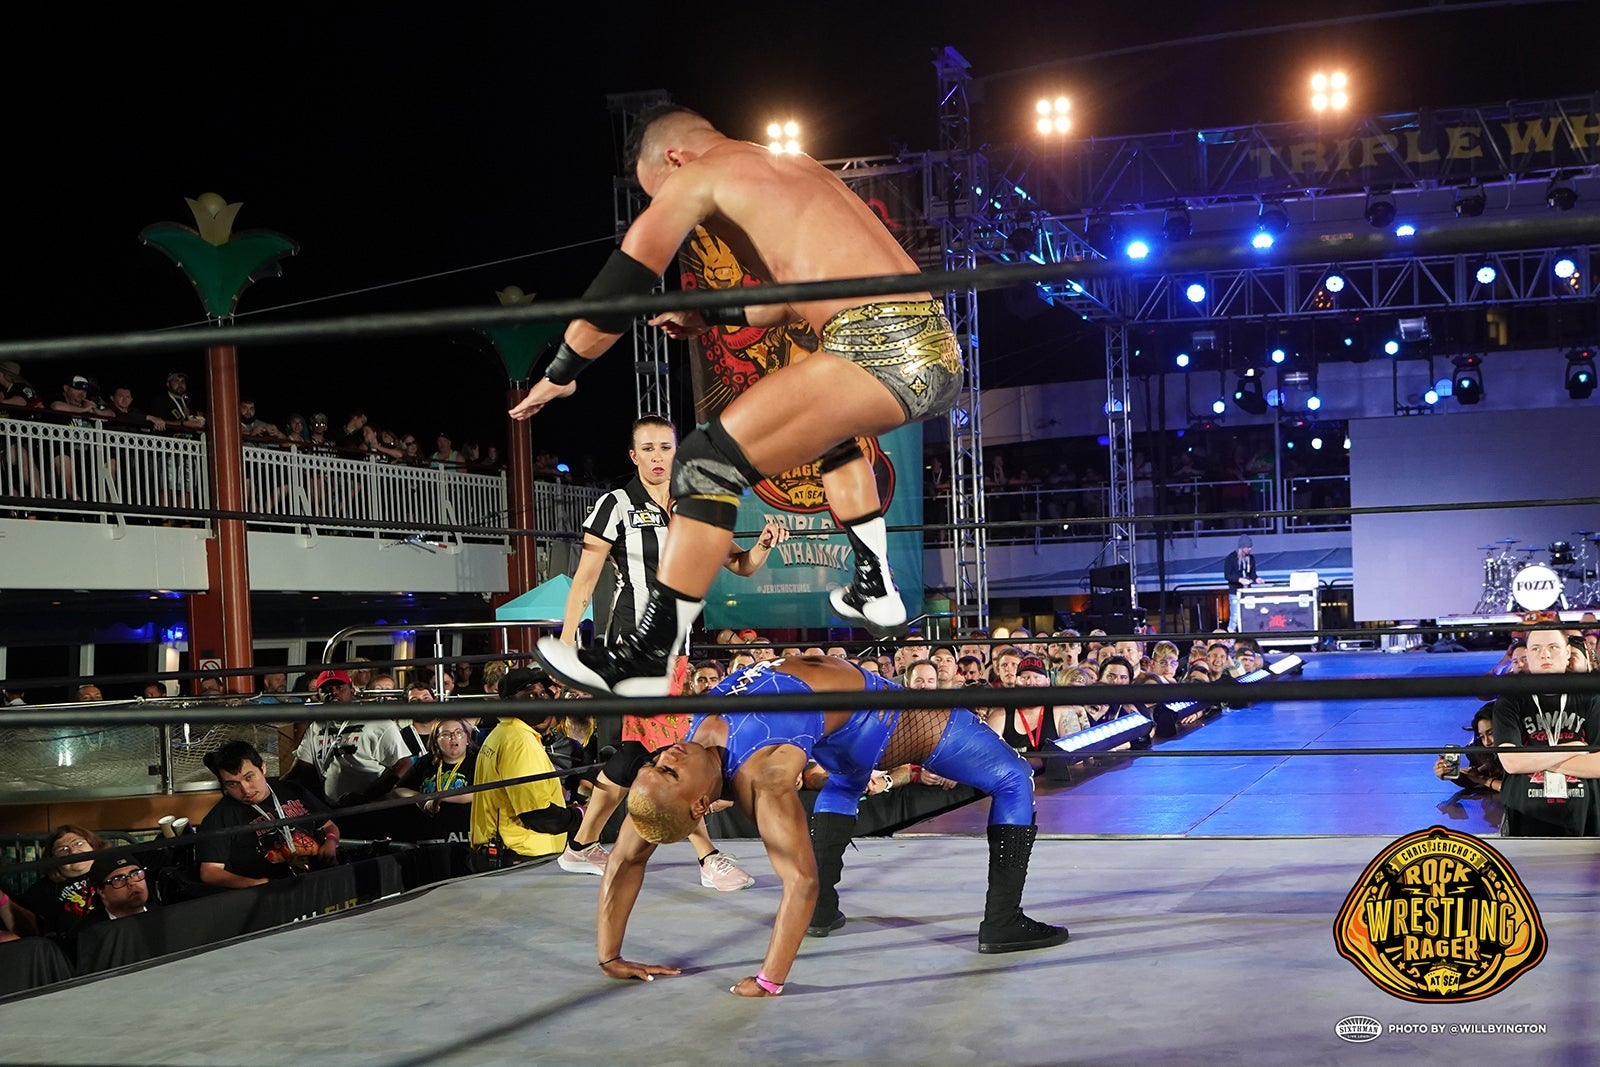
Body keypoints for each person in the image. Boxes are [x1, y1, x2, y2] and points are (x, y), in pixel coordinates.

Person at [522, 104, 963, 696]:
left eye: (660, 190)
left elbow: (621, 285)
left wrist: (563, 369)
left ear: (673, 159)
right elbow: (791, 300)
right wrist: (707, 314)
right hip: (933, 346)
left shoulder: (698, 174)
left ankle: (648, 659)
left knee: (704, 461)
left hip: (873, 342)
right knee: (826, 438)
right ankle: (874, 583)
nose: (672, 204)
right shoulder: (796, 167)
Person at [596, 656, 1068, 996]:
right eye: (667, 772)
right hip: (885, 716)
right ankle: (1004, 922)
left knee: (844, 779)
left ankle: (823, 914)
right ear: (700, 803)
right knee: (1013, 777)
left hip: (836, 729)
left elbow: (625, 856)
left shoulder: (681, 763)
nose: (664, 758)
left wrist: (609, 956)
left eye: (655, 765)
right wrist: (768, 980)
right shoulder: (768, 776)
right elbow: (797, 881)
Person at [1491, 627, 1600, 836]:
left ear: (1568, 652)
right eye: (1536, 649)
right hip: (1525, 816)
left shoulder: (1592, 696)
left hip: (1584, 817)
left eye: (1553, 647)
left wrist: (1536, 758)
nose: (1545, 654)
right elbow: (1512, 762)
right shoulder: (1510, 699)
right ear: (1528, 655)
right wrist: (1573, 749)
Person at [196, 740, 340, 888]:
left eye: (249, 777)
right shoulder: (220, 817)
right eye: (232, 784)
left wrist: (331, 842)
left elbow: (329, 826)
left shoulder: (292, 789)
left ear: (263, 768)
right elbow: (210, 872)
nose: (246, 790)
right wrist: (257, 884)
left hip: (320, 880)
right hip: (271, 893)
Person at [390, 717, 479, 844]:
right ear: (436, 741)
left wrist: (439, 797)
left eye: (458, 732)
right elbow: (398, 791)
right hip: (430, 835)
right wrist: (421, 798)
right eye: (446, 734)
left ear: (467, 739)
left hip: (466, 835)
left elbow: (480, 794)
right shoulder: (426, 762)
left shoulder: (478, 760)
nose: (453, 737)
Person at [17, 825, 105, 941]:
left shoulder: (115, 872)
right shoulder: (43, 890)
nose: (73, 851)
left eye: (78, 843)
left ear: (93, 846)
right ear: (53, 861)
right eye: (63, 850)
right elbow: (26, 928)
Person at [1433, 703, 1505, 795]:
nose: (1487, 742)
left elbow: (1518, 790)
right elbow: (1473, 779)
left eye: (1491, 733)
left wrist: (1484, 781)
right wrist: (1450, 773)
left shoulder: (1525, 749)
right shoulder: (1480, 751)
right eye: (1482, 736)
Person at [1223, 535, 1258, 632]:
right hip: (1235, 591)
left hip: (1247, 592)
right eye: (1248, 547)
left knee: (1248, 615)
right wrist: (1239, 579)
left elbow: (1252, 574)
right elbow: (1227, 575)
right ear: (1242, 547)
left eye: (1250, 547)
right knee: (1235, 616)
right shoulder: (1231, 558)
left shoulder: (1251, 559)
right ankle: (1231, 638)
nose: (1250, 549)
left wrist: (1256, 579)